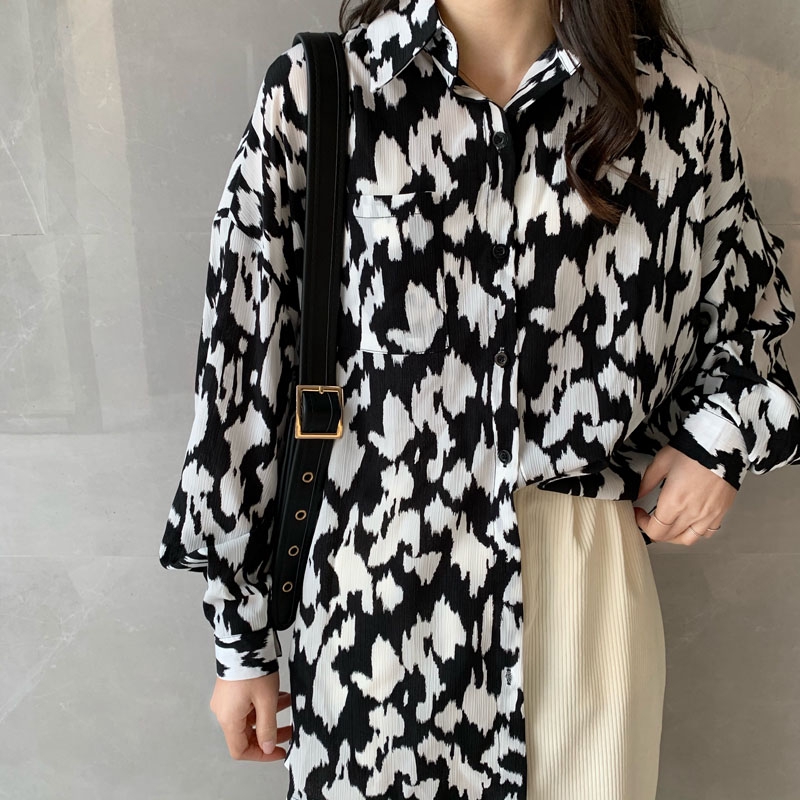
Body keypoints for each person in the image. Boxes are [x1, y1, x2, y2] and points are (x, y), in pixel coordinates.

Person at [158, 0, 800, 798]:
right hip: (373, 591)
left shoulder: (669, 105)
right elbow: (241, 371)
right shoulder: (325, 90)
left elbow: (748, 313)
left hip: (582, 581)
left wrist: (719, 443)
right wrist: (240, 641)